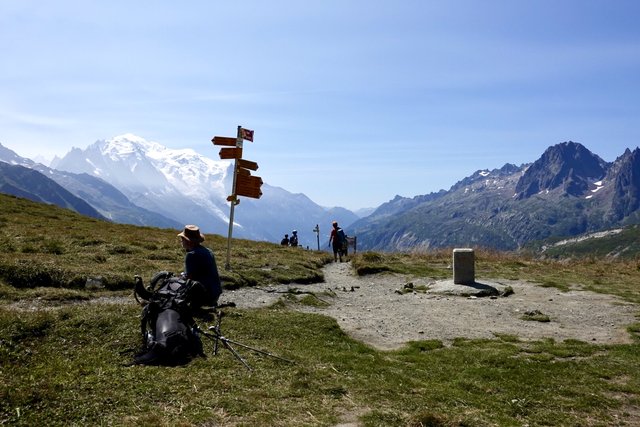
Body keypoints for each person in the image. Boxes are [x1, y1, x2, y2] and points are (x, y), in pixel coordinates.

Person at [178, 224, 222, 307]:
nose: (181, 241)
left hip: (204, 297)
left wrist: (182, 277)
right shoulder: (208, 251)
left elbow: (189, 278)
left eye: (182, 238)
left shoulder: (191, 255)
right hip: (215, 295)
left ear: (188, 241)